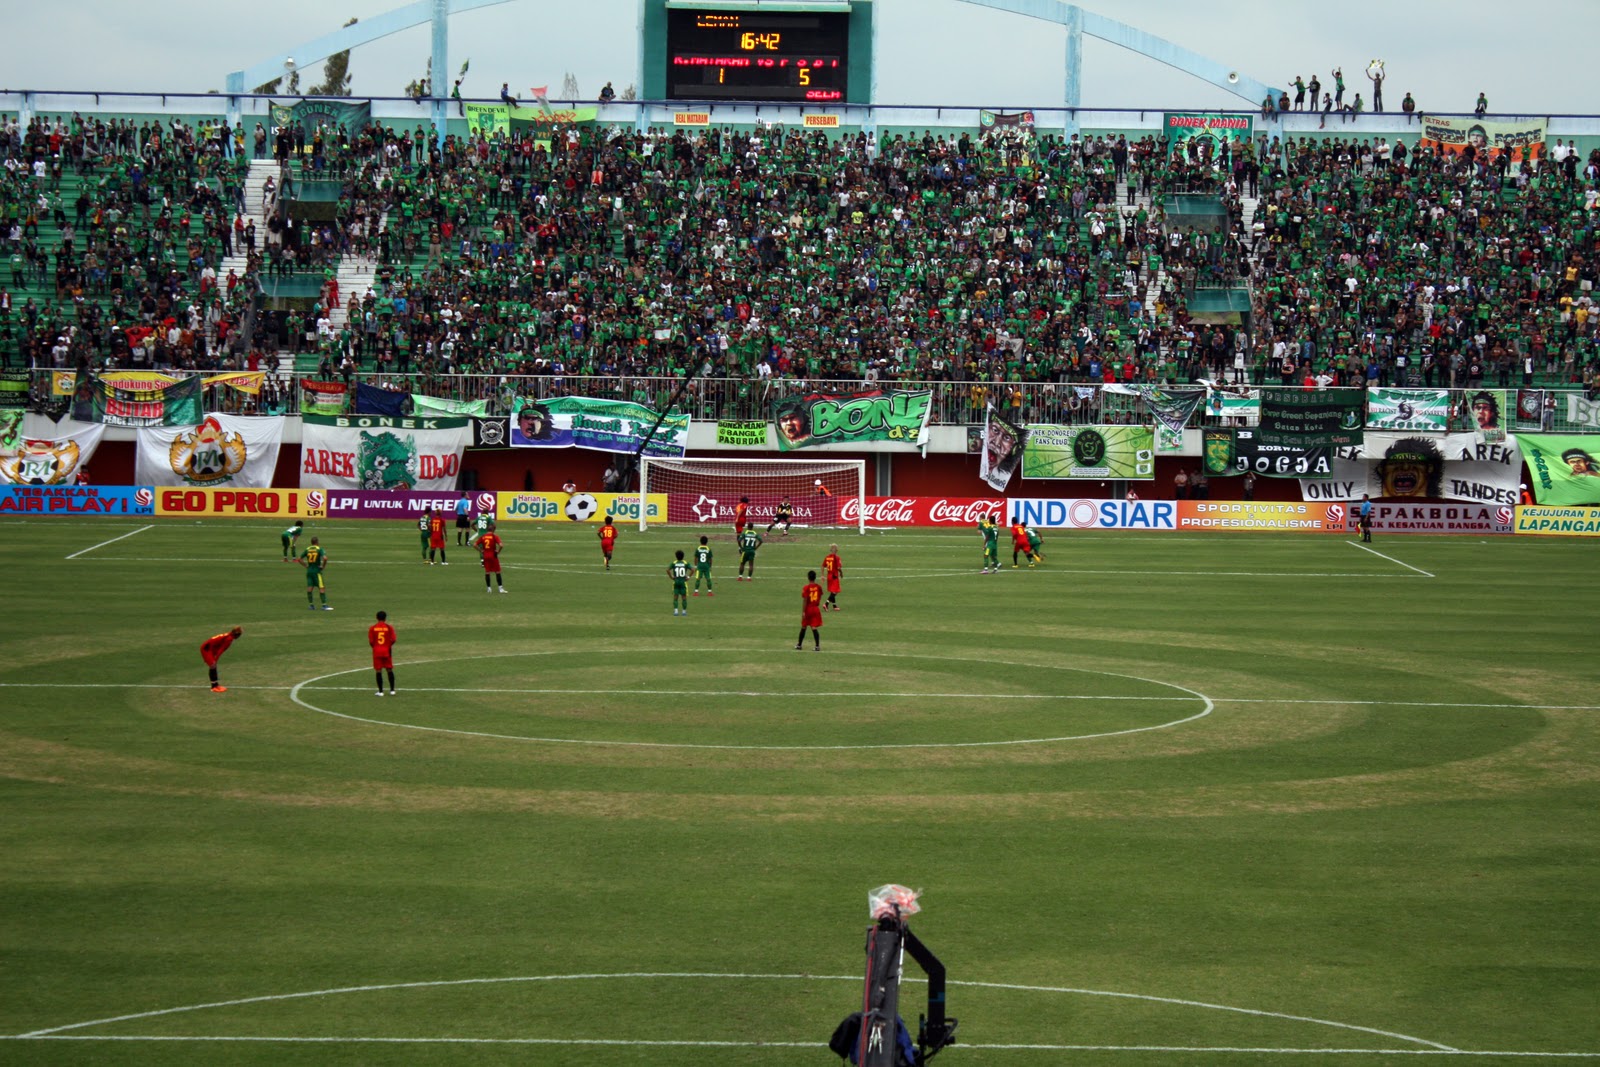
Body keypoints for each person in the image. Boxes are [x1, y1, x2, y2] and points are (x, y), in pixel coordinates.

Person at [200, 626, 243, 692]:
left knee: (213, 666)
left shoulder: (228, 635)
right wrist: (215, 659)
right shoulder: (229, 639)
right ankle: (214, 687)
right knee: (213, 666)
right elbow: (221, 650)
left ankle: (216, 685)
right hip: (207, 649)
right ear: (237, 635)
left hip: (211, 648)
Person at [298, 536, 331, 610]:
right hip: (317, 571)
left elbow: (299, 559)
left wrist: (306, 566)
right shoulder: (319, 549)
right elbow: (325, 558)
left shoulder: (307, 549)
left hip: (309, 571)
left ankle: (311, 605)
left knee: (310, 588)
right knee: (321, 587)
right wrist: (323, 566)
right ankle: (324, 605)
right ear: (317, 542)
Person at [369, 611, 397, 696]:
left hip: (377, 651)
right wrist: (388, 645)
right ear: (385, 618)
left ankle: (380, 692)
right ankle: (392, 690)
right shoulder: (389, 627)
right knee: (389, 669)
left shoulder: (373, 628)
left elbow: (371, 641)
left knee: (378, 671)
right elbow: (394, 639)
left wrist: (376, 647)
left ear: (377, 618)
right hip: (387, 651)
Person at [797, 570, 824, 651]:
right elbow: (820, 594)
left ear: (808, 578)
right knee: (814, 627)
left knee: (804, 626)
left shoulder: (806, 588)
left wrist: (803, 612)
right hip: (815, 608)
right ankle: (817, 646)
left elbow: (805, 600)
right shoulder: (818, 587)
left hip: (808, 608)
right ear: (815, 578)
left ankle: (799, 645)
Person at [478, 523, 506, 592]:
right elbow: (501, 545)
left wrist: (481, 550)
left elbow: (475, 544)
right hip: (493, 555)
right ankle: (500, 588)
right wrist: (498, 551)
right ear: (493, 530)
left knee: (487, 572)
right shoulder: (494, 536)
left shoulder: (483, 536)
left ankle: (489, 588)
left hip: (486, 555)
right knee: (497, 571)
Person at [669, 549, 691, 616]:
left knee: (675, 597)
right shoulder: (685, 563)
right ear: (683, 556)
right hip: (683, 582)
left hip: (676, 582)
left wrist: (671, 577)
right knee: (684, 597)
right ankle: (684, 612)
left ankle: (676, 611)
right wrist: (688, 577)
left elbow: (667, 570)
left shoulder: (674, 563)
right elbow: (693, 570)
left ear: (676, 556)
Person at [822, 544, 844, 610]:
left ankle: (834, 606)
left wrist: (822, 575)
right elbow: (838, 567)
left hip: (829, 576)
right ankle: (826, 603)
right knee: (835, 591)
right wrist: (841, 573)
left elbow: (823, 566)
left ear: (830, 550)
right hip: (834, 576)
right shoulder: (837, 557)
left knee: (832, 591)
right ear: (837, 550)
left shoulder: (827, 557)